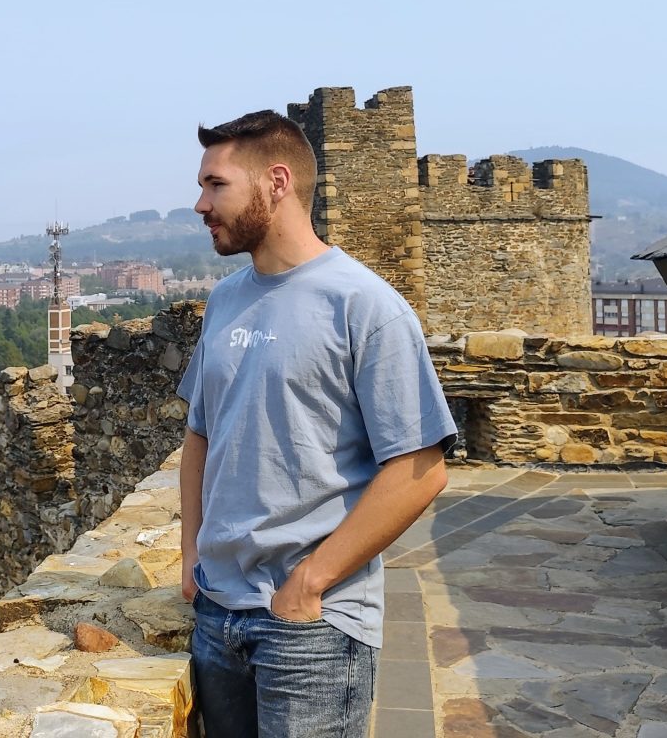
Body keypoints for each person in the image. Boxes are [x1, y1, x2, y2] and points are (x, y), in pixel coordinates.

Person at [177, 109, 458, 738]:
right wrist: (192, 553)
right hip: (218, 613)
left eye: (216, 184)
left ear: (276, 182)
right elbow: (200, 435)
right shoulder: (224, 300)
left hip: (312, 629)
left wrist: (310, 582)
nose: (200, 204)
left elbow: (420, 469)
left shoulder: (365, 305)